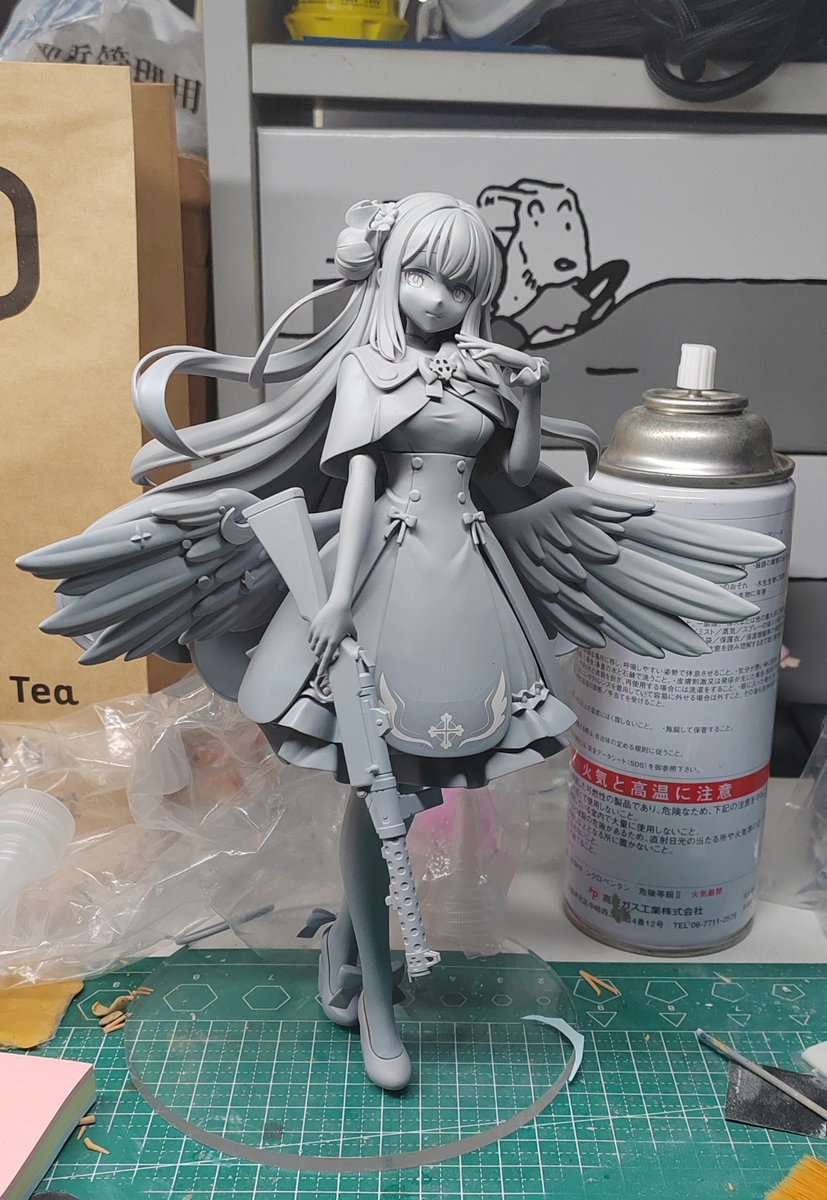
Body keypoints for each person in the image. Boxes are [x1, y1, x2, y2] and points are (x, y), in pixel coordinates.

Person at [18, 192, 780, 1090]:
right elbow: (359, 483)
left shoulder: (481, 374)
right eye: (420, 275)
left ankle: (349, 941)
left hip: (470, 578)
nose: (438, 299)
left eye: (460, 287)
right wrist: (338, 597)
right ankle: (377, 992)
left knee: (421, 783)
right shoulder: (369, 371)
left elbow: (516, 471)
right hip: (388, 572)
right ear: (387, 273)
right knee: (376, 783)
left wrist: (529, 397)